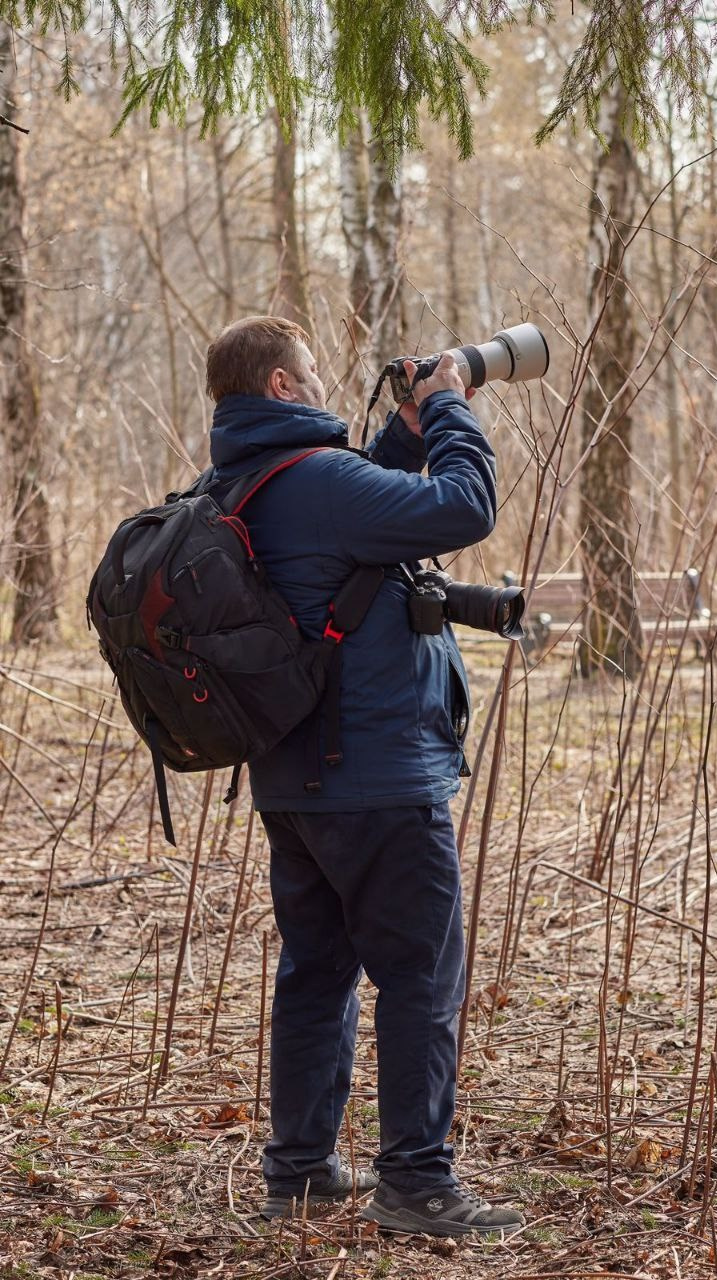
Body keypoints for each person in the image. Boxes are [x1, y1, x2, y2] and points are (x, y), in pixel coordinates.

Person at [206, 315, 524, 1238]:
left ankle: (300, 1169)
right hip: (379, 776)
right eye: (308, 372)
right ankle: (417, 1183)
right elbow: (462, 510)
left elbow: (358, 519)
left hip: (293, 782)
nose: (321, 383)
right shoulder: (322, 482)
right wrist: (454, 407)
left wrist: (404, 434)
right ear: (278, 387)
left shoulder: (242, 482)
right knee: (421, 977)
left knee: (317, 972)